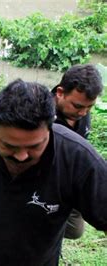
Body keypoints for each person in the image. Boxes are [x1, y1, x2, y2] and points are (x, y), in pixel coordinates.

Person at [0, 79, 107, 265]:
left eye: (34, 146)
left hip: (35, 259)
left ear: (50, 130)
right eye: (9, 146)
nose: (21, 156)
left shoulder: (78, 158)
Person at [52, 64, 103, 240]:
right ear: (60, 92)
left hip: (73, 181)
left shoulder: (80, 111)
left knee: (75, 231)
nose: (83, 112)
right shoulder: (40, 115)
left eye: (89, 107)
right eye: (78, 106)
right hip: (48, 184)